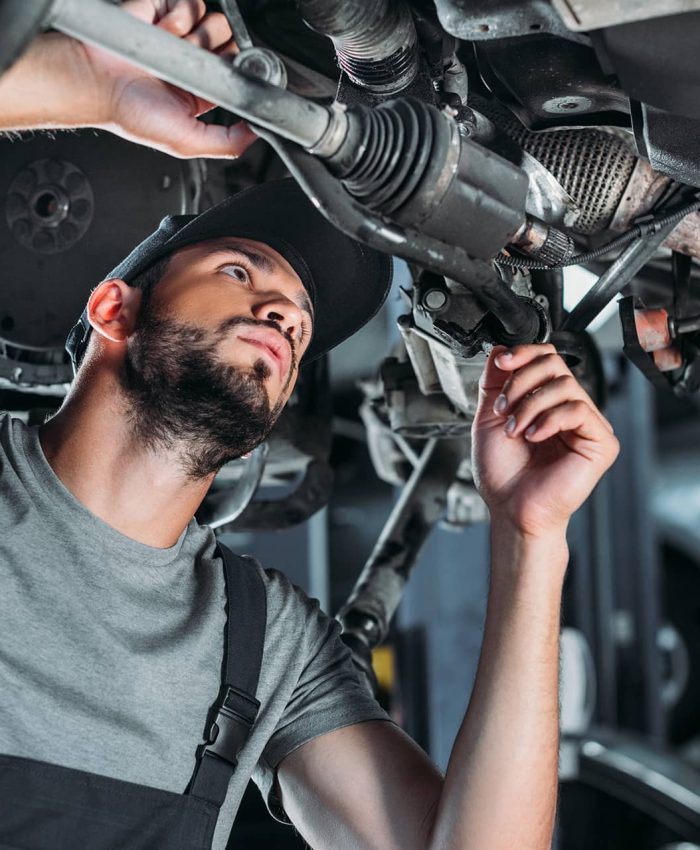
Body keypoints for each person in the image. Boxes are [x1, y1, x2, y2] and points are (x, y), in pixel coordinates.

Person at [0, 2, 620, 849]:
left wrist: (531, 539)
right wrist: (79, 86)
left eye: (297, 320)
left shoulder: (260, 643)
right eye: (240, 269)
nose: (284, 316)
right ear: (115, 305)